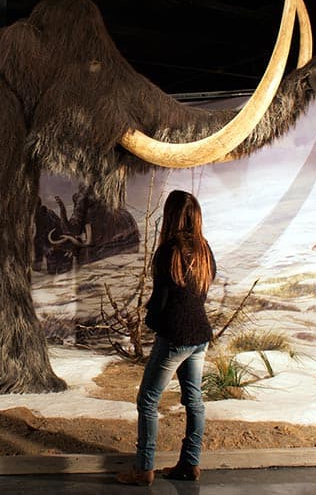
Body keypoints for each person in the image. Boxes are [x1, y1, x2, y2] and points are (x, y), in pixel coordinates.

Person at [116, 190, 216, 486]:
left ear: (170, 215)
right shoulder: (204, 249)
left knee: (147, 400)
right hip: (200, 335)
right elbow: (202, 292)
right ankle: (189, 464)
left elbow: (159, 300)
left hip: (175, 336)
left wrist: (151, 321)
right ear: (195, 216)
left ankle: (143, 469)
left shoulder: (167, 251)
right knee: (194, 401)